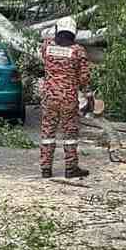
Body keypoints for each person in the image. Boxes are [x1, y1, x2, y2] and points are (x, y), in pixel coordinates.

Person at [39, 16, 91, 179]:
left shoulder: (46, 47)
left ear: (58, 30)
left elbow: (45, 59)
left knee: (48, 132)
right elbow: (84, 78)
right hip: (68, 98)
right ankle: (70, 168)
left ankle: (46, 168)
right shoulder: (78, 51)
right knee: (70, 134)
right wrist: (88, 95)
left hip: (49, 97)